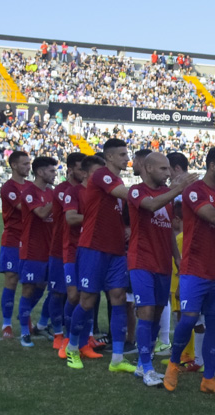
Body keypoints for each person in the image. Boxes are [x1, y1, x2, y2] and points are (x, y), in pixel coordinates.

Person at [163, 144, 215, 396]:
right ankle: (174, 362)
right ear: (212, 165)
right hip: (194, 268)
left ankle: (208, 378)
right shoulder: (194, 191)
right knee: (188, 318)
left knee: (214, 326)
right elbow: (214, 217)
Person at [66, 139, 138, 373]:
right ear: (109, 158)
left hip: (115, 250)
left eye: (127, 154)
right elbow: (127, 195)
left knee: (117, 297)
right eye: (122, 154)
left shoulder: (116, 180)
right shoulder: (102, 177)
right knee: (87, 300)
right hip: (93, 248)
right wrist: (153, 192)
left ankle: (117, 358)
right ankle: (72, 347)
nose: (126, 158)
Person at [128, 152, 196, 386]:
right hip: (141, 261)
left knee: (156, 314)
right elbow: (150, 206)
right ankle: (147, 366)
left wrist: (177, 258)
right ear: (147, 168)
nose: (168, 174)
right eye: (163, 169)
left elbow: (168, 230)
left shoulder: (165, 195)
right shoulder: (137, 191)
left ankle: (141, 363)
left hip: (162, 264)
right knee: (145, 312)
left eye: (169, 169)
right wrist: (177, 189)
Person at [58, 154, 99, 360]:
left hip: (92, 251)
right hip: (72, 251)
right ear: (84, 173)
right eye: (97, 173)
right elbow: (71, 217)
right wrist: (96, 219)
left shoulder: (100, 193)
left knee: (89, 296)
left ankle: (84, 343)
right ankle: (67, 339)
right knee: (74, 296)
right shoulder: (73, 191)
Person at [16, 156, 58, 348]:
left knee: (50, 290)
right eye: (51, 170)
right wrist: (58, 199)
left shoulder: (51, 192)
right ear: (40, 172)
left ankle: (39, 323)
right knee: (29, 289)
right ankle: (25, 331)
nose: (54, 174)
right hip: (32, 250)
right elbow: (41, 213)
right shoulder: (29, 192)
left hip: (50, 250)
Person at [46, 153, 86, 354]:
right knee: (59, 293)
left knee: (81, 295)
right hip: (59, 249)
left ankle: (78, 337)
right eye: (80, 168)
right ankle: (58, 334)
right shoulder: (63, 191)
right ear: (70, 169)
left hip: (81, 249)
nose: (83, 172)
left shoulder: (84, 190)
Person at [0, 150, 31, 339]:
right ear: (14, 165)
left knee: (35, 282)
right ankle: (6, 323)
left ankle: (25, 315)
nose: (28, 167)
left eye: (29, 163)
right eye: (25, 164)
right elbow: (24, 207)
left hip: (31, 240)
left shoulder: (30, 186)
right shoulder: (9, 187)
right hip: (12, 239)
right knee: (12, 280)